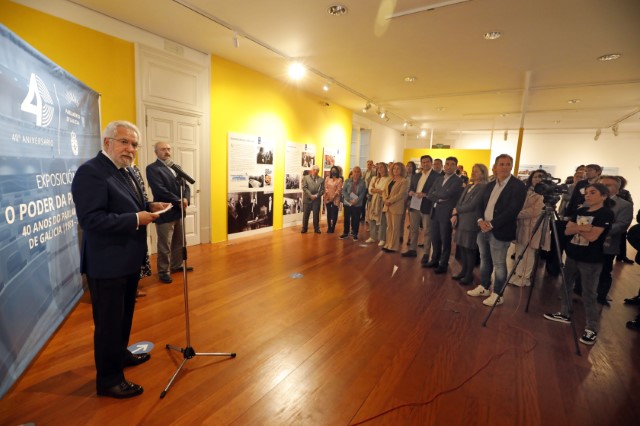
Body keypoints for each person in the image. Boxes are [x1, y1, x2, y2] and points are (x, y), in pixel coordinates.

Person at [71, 120, 169, 399]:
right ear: (107, 143)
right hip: (107, 264)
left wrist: (149, 206)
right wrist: (136, 219)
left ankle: (120, 355)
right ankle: (109, 381)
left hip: (127, 260)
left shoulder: (125, 171)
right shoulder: (90, 172)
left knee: (124, 318)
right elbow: (91, 220)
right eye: (124, 142)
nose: (130, 149)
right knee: (109, 325)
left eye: (135, 144)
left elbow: (130, 205)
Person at [543, 183, 614, 346]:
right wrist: (585, 227)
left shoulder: (606, 213)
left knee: (589, 294)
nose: (587, 195)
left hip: (591, 259)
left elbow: (593, 237)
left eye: (593, 193)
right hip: (573, 254)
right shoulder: (581, 211)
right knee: (566, 286)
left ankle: (591, 328)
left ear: (603, 196)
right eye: (587, 193)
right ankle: (564, 313)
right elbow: (567, 230)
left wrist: (578, 227)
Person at [467, 154, 527, 306]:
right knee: (484, 260)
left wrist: (491, 224)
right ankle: (484, 287)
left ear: (511, 166)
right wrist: (480, 221)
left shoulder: (518, 186)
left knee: (500, 264)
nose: (505, 167)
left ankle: (498, 294)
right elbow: (480, 205)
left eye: (508, 164)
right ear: (495, 166)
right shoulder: (490, 184)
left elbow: (513, 210)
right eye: (501, 164)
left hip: (500, 231)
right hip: (482, 229)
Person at [146, 142, 192, 284]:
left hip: (179, 211)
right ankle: (163, 272)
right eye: (163, 149)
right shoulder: (152, 168)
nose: (166, 152)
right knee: (165, 244)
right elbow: (159, 189)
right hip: (165, 211)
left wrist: (185, 198)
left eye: (168, 149)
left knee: (179, 241)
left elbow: (186, 186)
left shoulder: (176, 167)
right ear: (156, 152)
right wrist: (178, 199)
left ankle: (176, 265)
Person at [506, 169, 549, 287]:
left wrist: (514, 213)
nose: (537, 179)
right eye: (535, 177)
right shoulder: (526, 191)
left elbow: (535, 211)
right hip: (521, 226)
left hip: (533, 226)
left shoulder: (544, 194)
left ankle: (525, 277)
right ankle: (518, 274)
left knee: (529, 253)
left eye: (540, 177)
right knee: (519, 251)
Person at [596, 176, 633, 305]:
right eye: (602, 184)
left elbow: (622, 225)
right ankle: (579, 293)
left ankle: (601, 297)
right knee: (583, 269)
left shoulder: (624, 205)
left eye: (609, 185)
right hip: (588, 243)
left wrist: (597, 230)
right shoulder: (590, 200)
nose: (605, 187)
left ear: (617, 189)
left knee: (604, 271)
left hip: (607, 244)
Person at [450, 164, 489, 285]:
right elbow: (460, 201)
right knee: (462, 248)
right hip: (462, 221)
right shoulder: (469, 186)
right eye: (472, 171)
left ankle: (469, 275)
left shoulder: (483, 187)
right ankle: (463, 271)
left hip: (471, 222)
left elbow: (474, 205)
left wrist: (457, 210)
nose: (473, 173)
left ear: (483, 173)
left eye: (476, 171)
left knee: (470, 249)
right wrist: (455, 212)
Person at [424, 157, 464, 273]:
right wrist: (439, 196)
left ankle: (443, 263)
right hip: (435, 212)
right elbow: (429, 194)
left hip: (446, 214)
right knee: (435, 239)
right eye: (447, 164)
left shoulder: (457, 181)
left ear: (456, 167)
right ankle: (434, 260)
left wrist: (437, 195)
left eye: (452, 164)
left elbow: (447, 194)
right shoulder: (439, 178)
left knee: (445, 240)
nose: (449, 166)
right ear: (444, 166)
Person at [403, 155, 438, 261]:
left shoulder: (437, 176)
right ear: (421, 164)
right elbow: (412, 188)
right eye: (423, 162)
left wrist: (425, 194)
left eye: (427, 162)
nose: (425, 164)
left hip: (427, 206)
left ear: (431, 163)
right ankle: (412, 249)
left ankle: (426, 253)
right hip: (415, 205)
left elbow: (436, 192)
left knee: (427, 231)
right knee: (414, 228)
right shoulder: (416, 176)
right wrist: (410, 192)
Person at [382, 162, 408, 253]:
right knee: (389, 227)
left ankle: (393, 246)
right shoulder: (389, 180)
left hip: (396, 206)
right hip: (387, 206)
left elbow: (401, 195)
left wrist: (390, 201)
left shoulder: (404, 181)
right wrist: (385, 199)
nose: (395, 170)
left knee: (395, 228)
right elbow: (384, 191)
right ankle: (388, 244)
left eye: (398, 169)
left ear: (401, 170)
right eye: (394, 169)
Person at [339, 166, 367, 241]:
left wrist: (356, 201)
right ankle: (345, 232)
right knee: (347, 218)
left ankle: (355, 233)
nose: (356, 173)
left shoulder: (363, 182)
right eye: (355, 171)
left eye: (358, 171)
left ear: (360, 173)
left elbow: (363, 193)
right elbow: (344, 191)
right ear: (352, 172)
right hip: (347, 203)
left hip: (357, 204)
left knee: (356, 219)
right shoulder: (347, 181)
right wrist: (349, 199)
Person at [366, 162, 390, 244]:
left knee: (382, 220)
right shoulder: (374, 178)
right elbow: (370, 189)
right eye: (378, 167)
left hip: (382, 201)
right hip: (374, 200)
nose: (380, 169)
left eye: (382, 167)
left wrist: (377, 190)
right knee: (372, 218)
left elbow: (385, 190)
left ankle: (382, 238)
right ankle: (372, 236)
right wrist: (377, 190)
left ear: (385, 168)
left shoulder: (389, 179)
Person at [301, 164, 324, 233]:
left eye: (317, 170)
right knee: (306, 214)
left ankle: (316, 228)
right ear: (311, 170)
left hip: (316, 200)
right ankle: (304, 228)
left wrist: (316, 196)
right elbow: (304, 187)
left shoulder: (321, 179)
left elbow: (322, 190)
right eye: (314, 170)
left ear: (318, 171)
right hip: (307, 198)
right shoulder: (306, 178)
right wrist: (310, 195)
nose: (315, 171)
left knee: (316, 215)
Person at [400, 161, 417, 244]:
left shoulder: (416, 176)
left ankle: (410, 238)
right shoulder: (403, 177)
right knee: (401, 218)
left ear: (414, 168)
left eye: (411, 166)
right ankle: (400, 236)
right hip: (401, 199)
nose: (409, 167)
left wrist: (408, 197)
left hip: (411, 200)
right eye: (407, 166)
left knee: (412, 221)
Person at [323, 166, 343, 233]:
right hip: (328, 198)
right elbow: (326, 187)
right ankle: (329, 227)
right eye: (332, 170)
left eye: (335, 170)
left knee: (335, 213)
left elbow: (339, 189)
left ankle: (333, 227)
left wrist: (333, 197)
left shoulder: (339, 179)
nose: (333, 171)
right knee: (328, 213)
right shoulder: (327, 178)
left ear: (337, 171)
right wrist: (329, 196)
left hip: (336, 198)